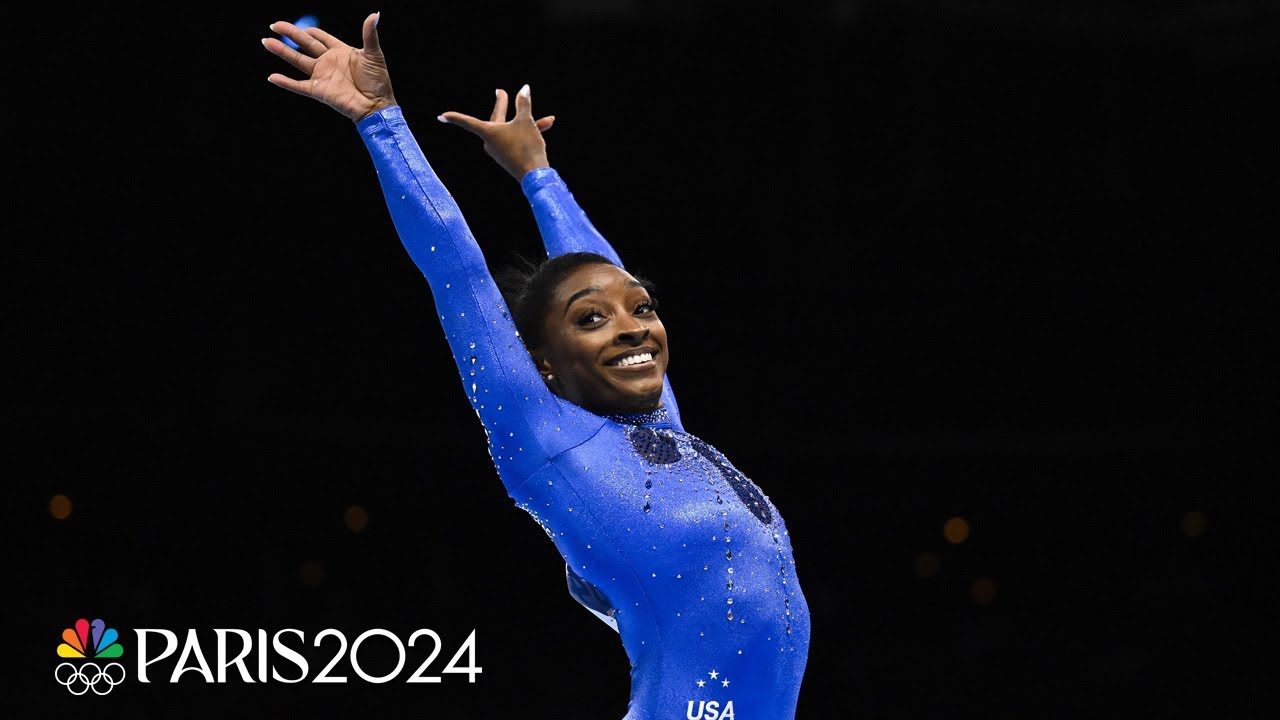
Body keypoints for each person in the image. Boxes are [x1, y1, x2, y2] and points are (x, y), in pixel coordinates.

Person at [262, 13, 810, 718]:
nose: (631, 329)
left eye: (641, 308)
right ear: (543, 368)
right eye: (591, 320)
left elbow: (604, 277)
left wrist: (539, 176)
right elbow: (457, 273)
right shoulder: (550, 442)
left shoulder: (662, 430)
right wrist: (382, 122)